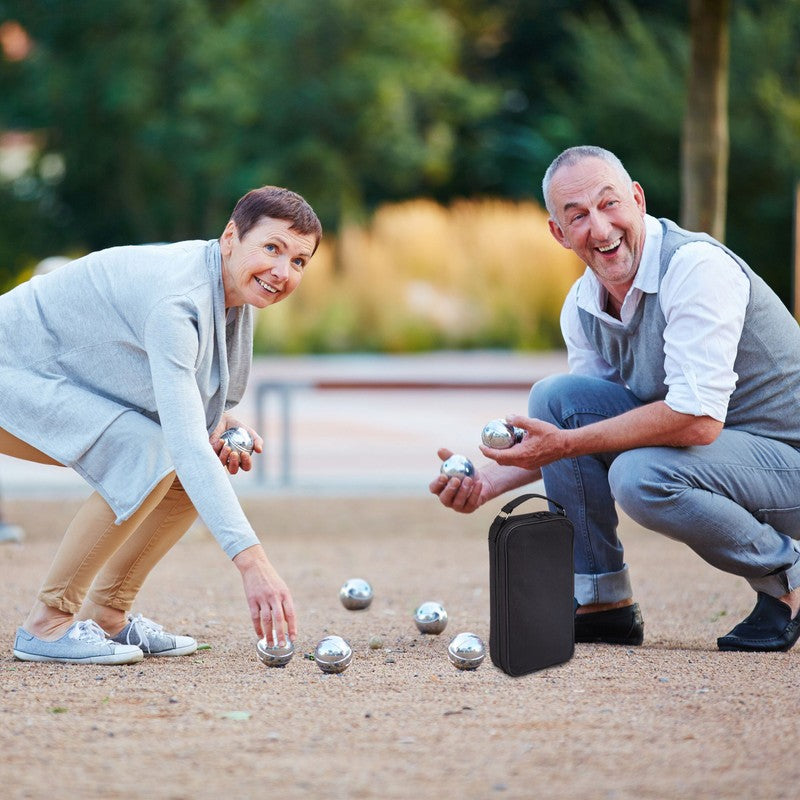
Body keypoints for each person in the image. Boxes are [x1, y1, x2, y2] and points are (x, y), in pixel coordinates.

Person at [431, 145, 800, 653]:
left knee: (641, 475)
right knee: (557, 398)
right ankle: (601, 601)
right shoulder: (583, 306)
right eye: (577, 216)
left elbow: (696, 421)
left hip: (789, 462)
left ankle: (788, 582)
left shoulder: (694, 268)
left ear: (638, 201)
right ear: (559, 233)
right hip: (731, 462)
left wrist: (564, 443)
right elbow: (579, 437)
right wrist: (491, 480)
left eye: (609, 204)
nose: (600, 228)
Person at [1, 186, 322, 664]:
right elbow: (183, 439)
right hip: (13, 371)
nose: (282, 271)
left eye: (298, 261)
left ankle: (109, 615)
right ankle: (46, 626)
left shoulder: (229, 293)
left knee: (187, 460)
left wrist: (217, 422)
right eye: (272, 247)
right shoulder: (180, 300)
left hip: (45, 377)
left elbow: (187, 411)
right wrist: (253, 563)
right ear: (230, 237)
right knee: (149, 452)